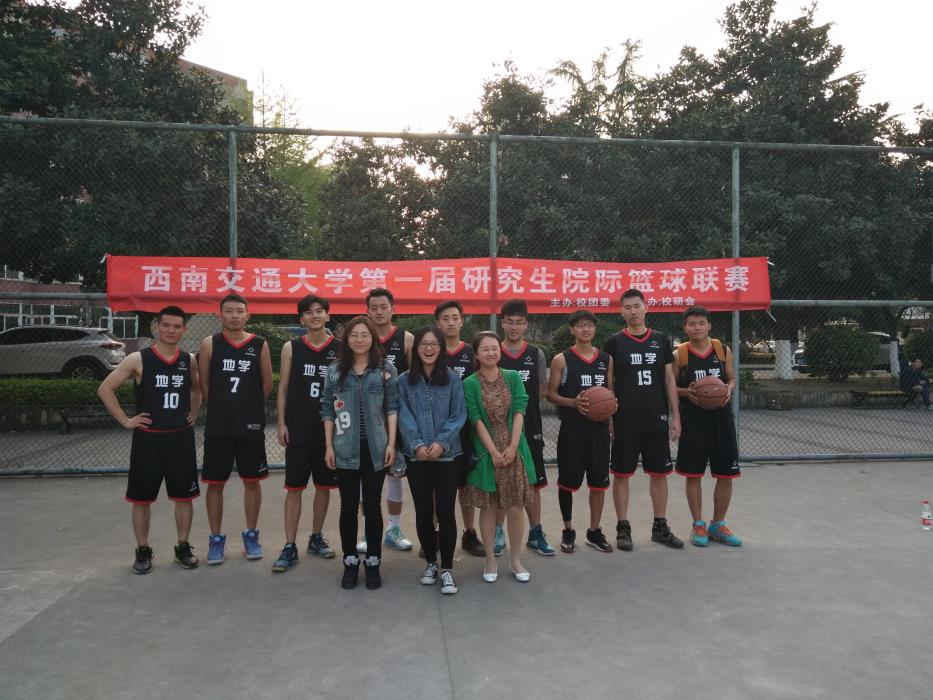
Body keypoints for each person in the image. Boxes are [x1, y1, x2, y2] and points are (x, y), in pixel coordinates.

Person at [97, 306, 201, 574]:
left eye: (177, 326)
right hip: (149, 440)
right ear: (156, 326)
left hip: (180, 438)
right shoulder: (138, 359)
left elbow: (197, 388)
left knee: (184, 497)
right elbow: (105, 389)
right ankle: (143, 549)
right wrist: (125, 420)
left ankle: (183, 546)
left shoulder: (188, 359)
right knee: (141, 499)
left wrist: (194, 412)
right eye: (166, 325)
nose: (171, 331)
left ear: (184, 330)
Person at [321, 315, 401, 590]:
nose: (359, 340)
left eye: (364, 335)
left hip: (376, 448)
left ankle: (374, 562)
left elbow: (392, 407)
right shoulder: (335, 370)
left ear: (373, 338)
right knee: (347, 506)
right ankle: (350, 561)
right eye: (354, 335)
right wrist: (329, 446)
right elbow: (327, 408)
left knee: (373, 506)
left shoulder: (385, 369)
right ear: (346, 339)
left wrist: (391, 444)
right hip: (344, 447)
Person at [602, 289, 683, 551]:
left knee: (659, 473)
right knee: (622, 474)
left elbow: (669, 379)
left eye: (637, 306)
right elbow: (609, 383)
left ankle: (660, 526)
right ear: (621, 311)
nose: (633, 311)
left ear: (646, 308)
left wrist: (676, 416)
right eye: (627, 307)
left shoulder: (661, 340)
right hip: (625, 418)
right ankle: (622, 527)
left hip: (656, 416)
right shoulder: (613, 342)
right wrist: (609, 417)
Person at [198, 294, 273, 565]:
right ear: (220, 315)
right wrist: (223, 407)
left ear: (248, 315)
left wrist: (247, 407)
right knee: (215, 484)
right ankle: (216, 539)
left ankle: (251, 535)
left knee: (252, 481)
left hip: (250, 425)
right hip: (219, 426)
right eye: (229, 311)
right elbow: (204, 385)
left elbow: (266, 385)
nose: (234, 316)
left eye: (239, 311)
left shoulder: (259, 344)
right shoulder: (210, 344)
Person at [461, 331, 538, 583]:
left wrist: (513, 446)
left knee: (515, 507)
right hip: (487, 452)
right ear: (476, 354)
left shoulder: (513, 377)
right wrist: (493, 451)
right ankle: (490, 560)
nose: (491, 353)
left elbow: (519, 410)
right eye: (485, 349)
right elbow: (475, 419)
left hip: (514, 450)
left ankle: (515, 560)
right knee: (489, 508)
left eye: (494, 348)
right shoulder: (470, 383)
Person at [397, 325, 468, 595]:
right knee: (424, 512)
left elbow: (458, 415)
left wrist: (441, 443)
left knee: (447, 512)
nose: (428, 349)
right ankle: (430, 562)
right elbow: (403, 415)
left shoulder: (452, 379)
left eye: (434, 344)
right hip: (416, 458)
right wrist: (416, 444)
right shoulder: (404, 380)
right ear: (416, 348)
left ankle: (447, 568)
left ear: (441, 348)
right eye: (424, 344)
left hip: (447, 456)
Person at [272, 295, 340, 573]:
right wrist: (281, 423)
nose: (314, 316)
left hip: (328, 431)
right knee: (294, 488)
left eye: (319, 311)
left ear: (327, 315)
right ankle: (289, 545)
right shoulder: (291, 347)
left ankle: (316, 537)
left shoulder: (339, 348)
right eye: (309, 312)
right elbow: (283, 388)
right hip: (299, 429)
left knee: (324, 487)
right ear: (301, 319)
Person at [672, 306, 742, 547]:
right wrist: (687, 392)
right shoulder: (679, 354)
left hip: (721, 418)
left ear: (709, 325)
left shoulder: (722, 350)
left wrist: (727, 389)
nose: (697, 328)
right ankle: (698, 524)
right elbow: (670, 387)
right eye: (692, 324)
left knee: (726, 474)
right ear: (685, 328)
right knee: (693, 474)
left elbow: (731, 378)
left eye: (701, 323)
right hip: (693, 419)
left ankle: (717, 525)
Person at [546, 310, 615, 554]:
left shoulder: (606, 359)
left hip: (599, 430)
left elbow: (609, 394)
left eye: (589, 325)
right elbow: (550, 394)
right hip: (572, 429)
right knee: (567, 483)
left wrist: (610, 418)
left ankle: (594, 531)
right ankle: (568, 529)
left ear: (595, 329)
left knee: (599, 483)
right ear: (572, 329)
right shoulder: (561, 359)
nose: (585, 329)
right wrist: (572, 403)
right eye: (580, 325)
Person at [498, 299, 554, 556]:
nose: (514, 327)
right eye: (509, 322)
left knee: (533, 481)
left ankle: (535, 532)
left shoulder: (536, 354)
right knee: (500, 481)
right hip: (499, 428)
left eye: (519, 322)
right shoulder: (494, 351)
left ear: (526, 324)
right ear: (502, 323)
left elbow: (540, 391)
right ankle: (498, 531)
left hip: (530, 426)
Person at [364, 288, 414, 552]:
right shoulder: (361, 337)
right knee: (367, 479)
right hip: (366, 421)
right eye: (374, 307)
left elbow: (414, 381)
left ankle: (393, 529)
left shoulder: (406, 339)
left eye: (384, 307)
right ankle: (367, 531)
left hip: (396, 420)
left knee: (395, 476)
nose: (379, 311)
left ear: (393, 309)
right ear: (367, 311)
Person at [435, 300, 485, 558]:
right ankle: (434, 533)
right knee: (437, 485)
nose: (451, 322)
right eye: (445, 318)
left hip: (466, 428)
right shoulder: (431, 350)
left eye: (455, 317)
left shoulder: (471, 352)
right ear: (437, 323)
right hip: (437, 427)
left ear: (462, 321)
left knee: (465, 485)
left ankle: (469, 532)